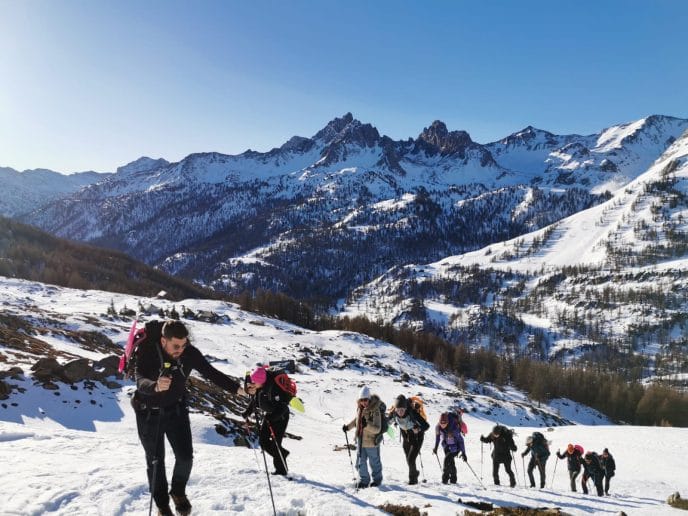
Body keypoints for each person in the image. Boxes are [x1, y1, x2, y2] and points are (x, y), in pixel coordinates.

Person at [133, 320, 245, 516]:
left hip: (176, 410)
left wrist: (238, 389)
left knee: (185, 457)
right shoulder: (148, 351)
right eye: (176, 346)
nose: (181, 350)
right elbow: (140, 379)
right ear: (163, 340)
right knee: (155, 461)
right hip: (148, 413)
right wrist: (155, 386)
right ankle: (162, 505)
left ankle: (178, 492)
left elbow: (211, 373)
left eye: (184, 344)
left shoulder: (189, 353)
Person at [243, 366, 292, 476]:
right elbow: (256, 401)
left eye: (254, 382)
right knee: (263, 442)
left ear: (260, 380)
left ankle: (281, 471)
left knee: (276, 444)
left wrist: (271, 418)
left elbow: (283, 407)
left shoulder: (274, 388)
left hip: (281, 418)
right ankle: (282, 454)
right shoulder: (261, 386)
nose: (253, 384)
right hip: (269, 416)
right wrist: (247, 413)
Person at [343, 386, 383, 488]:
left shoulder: (375, 410)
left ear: (369, 399)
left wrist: (367, 425)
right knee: (359, 463)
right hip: (361, 440)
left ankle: (377, 481)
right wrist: (348, 427)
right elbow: (356, 420)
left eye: (366, 400)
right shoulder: (360, 409)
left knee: (374, 463)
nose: (364, 402)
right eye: (361, 400)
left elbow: (377, 429)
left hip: (371, 442)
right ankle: (364, 481)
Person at [389, 395, 430, 484]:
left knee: (411, 459)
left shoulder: (413, 414)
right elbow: (386, 422)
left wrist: (418, 429)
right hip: (406, 437)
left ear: (406, 408)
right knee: (409, 459)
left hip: (417, 437)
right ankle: (415, 473)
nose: (400, 412)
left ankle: (413, 480)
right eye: (398, 410)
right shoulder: (394, 414)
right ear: (395, 409)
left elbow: (426, 426)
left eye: (402, 410)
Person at [433, 412, 466, 484]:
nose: (442, 425)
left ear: (447, 422)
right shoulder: (438, 427)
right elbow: (438, 438)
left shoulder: (454, 429)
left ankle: (445, 479)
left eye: (444, 423)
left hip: (456, 447)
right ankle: (453, 479)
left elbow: (461, 441)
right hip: (446, 446)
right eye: (441, 423)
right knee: (451, 462)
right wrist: (435, 447)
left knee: (447, 459)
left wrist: (463, 453)